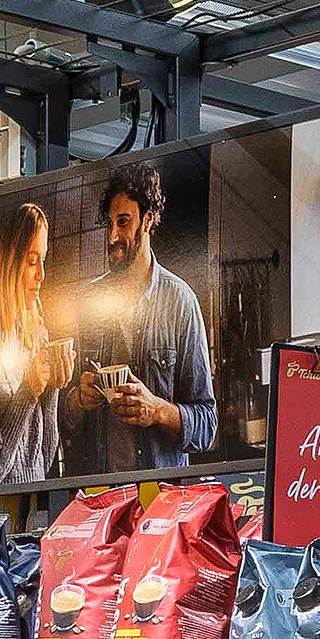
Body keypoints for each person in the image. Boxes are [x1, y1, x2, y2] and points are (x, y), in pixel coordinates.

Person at [65, 155, 214, 475]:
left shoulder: (180, 302)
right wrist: (78, 399)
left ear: (147, 220)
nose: (112, 236)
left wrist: (157, 410)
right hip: (98, 494)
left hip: (159, 497)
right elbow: (62, 418)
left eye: (123, 222)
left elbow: (206, 426)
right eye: (109, 224)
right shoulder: (89, 300)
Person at [0, 201, 73, 487]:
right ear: (10, 264)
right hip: (0, 511)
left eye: (44, 260)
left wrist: (52, 389)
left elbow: (44, 460)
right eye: (32, 262)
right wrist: (29, 390)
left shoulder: (38, 337)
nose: (42, 275)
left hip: (37, 505)